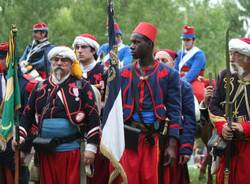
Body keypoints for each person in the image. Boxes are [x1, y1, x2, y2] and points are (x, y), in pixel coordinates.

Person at [13, 46, 100, 184]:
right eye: (56, 60)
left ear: (71, 63)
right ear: (51, 62)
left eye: (64, 60)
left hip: (72, 151)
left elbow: (93, 118)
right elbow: (27, 116)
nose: (59, 63)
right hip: (45, 152)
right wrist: (21, 138)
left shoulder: (82, 86)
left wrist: (91, 148)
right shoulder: (39, 87)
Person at [116, 22, 181, 184]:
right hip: (128, 138)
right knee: (127, 180)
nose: (132, 46)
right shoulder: (123, 73)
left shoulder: (169, 74)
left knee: (151, 179)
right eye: (131, 42)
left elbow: (175, 112)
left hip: (154, 139)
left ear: (150, 45)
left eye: (137, 42)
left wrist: (172, 145)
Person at [209, 38, 250, 184]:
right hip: (228, 145)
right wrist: (222, 126)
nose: (231, 58)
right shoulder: (225, 76)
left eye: (236, 54)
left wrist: (244, 127)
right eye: (230, 53)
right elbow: (213, 106)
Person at [155, 49, 196, 184]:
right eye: (157, 60)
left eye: (164, 60)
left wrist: (186, 147)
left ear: (173, 63)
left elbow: (189, 118)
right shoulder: (148, 82)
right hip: (152, 140)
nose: (160, 64)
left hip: (174, 140)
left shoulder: (184, 87)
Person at [73, 33, 108, 184]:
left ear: (93, 50)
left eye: (83, 47)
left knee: (97, 175)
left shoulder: (105, 72)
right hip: (74, 129)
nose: (79, 50)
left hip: (98, 128)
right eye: (77, 47)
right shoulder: (72, 72)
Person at [18, 22, 54, 108]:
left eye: (36, 32)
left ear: (43, 33)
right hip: (26, 73)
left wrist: (28, 66)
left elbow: (42, 63)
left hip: (40, 77)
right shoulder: (30, 46)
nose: (33, 34)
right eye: (34, 32)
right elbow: (22, 59)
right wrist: (23, 64)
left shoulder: (49, 48)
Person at [175, 25, 206, 103]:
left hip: (194, 79)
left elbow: (193, 73)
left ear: (193, 40)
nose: (185, 42)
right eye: (183, 40)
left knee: (198, 95)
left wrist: (179, 83)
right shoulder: (180, 53)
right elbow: (175, 69)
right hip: (179, 79)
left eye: (188, 40)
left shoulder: (199, 54)